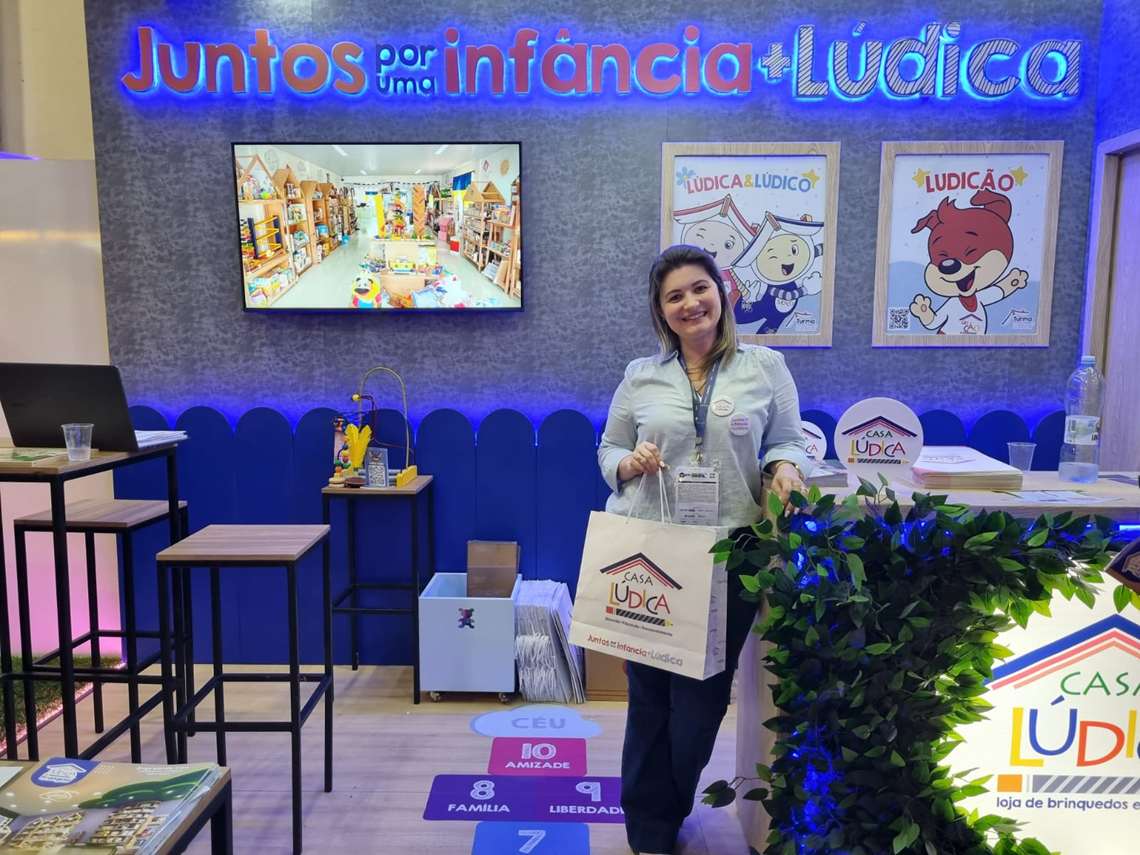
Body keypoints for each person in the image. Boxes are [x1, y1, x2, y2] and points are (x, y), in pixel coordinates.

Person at [597, 244, 811, 855]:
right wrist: (630, 462)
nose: (690, 303)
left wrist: (785, 468)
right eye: (675, 296)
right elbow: (608, 450)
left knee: (702, 698)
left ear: (722, 292)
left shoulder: (765, 367)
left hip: (732, 552)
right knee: (649, 692)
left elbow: (788, 440)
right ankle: (649, 825)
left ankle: (668, 804)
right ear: (661, 311)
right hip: (654, 548)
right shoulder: (641, 375)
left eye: (700, 289)